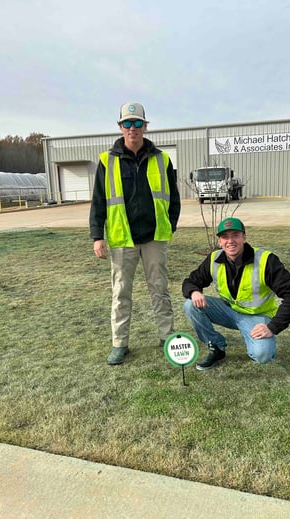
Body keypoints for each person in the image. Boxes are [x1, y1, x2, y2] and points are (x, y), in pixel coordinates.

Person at [89, 102, 181, 365]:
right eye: (127, 123)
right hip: (122, 240)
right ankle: (120, 343)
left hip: (154, 238)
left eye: (138, 123)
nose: (133, 128)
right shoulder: (107, 161)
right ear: (120, 127)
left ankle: (167, 337)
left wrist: (170, 224)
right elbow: (98, 202)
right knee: (121, 293)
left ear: (145, 126)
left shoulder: (162, 159)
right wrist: (98, 236)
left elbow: (173, 198)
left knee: (159, 289)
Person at [182, 217, 290, 370]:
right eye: (225, 237)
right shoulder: (214, 259)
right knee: (190, 305)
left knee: (262, 355)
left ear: (244, 237)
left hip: (256, 317)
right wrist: (194, 291)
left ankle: (255, 340)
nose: (230, 241)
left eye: (235, 235)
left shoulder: (266, 260)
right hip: (228, 311)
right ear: (220, 241)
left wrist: (273, 327)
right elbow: (190, 281)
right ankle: (217, 346)